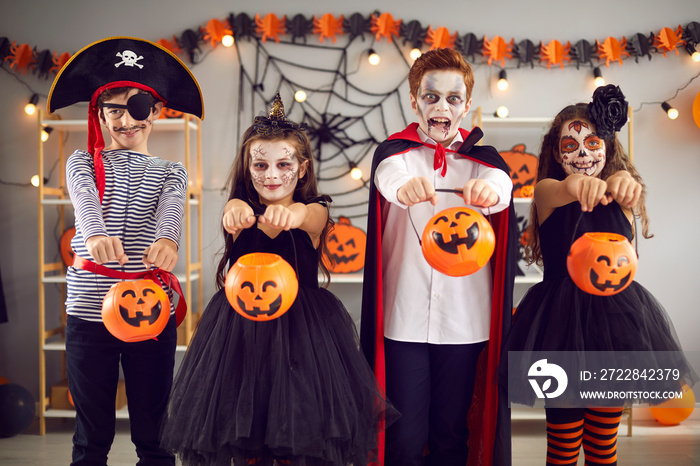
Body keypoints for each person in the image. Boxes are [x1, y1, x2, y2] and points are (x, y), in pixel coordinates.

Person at [160, 93, 395, 466]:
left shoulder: (314, 210)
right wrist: (235, 208)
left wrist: (295, 214)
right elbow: (232, 210)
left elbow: (311, 216)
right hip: (239, 329)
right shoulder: (240, 210)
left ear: (302, 169)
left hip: (304, 333)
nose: (271, 175)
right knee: (243, 422)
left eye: (283, 164)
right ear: (248, 167)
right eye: (261, 165)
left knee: (299, 424)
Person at [499, 84, 697, 466]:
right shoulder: (547, 190)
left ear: (609, 146)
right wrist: (579, 185)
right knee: (562, 442)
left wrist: (626, 185)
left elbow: (629, 189)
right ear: (556, 154)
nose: (583, 153)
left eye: (592, 143)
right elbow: (566, 188)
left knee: (603, 445)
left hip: (616, 326)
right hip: (559, 327)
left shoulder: (624, 196)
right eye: (570, 146)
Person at [47, 37, 204, 465]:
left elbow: (172, 211)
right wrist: (95, 233)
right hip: (88, 310)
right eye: (113, 108)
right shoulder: (81, 160)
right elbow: (84, 201)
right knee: (91, 436)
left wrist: (167, 241)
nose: (125, 119)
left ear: (154, 112)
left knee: (155, 436)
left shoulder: (173, 171)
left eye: (136, 107)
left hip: (149, 308)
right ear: (99, 114)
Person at [360, 47, 518, 466]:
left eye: (453, 98)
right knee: (404, 437)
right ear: (415, 101)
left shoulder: (483, 162)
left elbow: (502, 184)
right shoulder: (395, 156)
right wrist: (402, 188)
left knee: (451, 435)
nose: (442, 106)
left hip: (465, 322)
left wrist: (492, 192)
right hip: (405, 318)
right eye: (431, 96)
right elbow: (387, 176)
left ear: (467, 106)